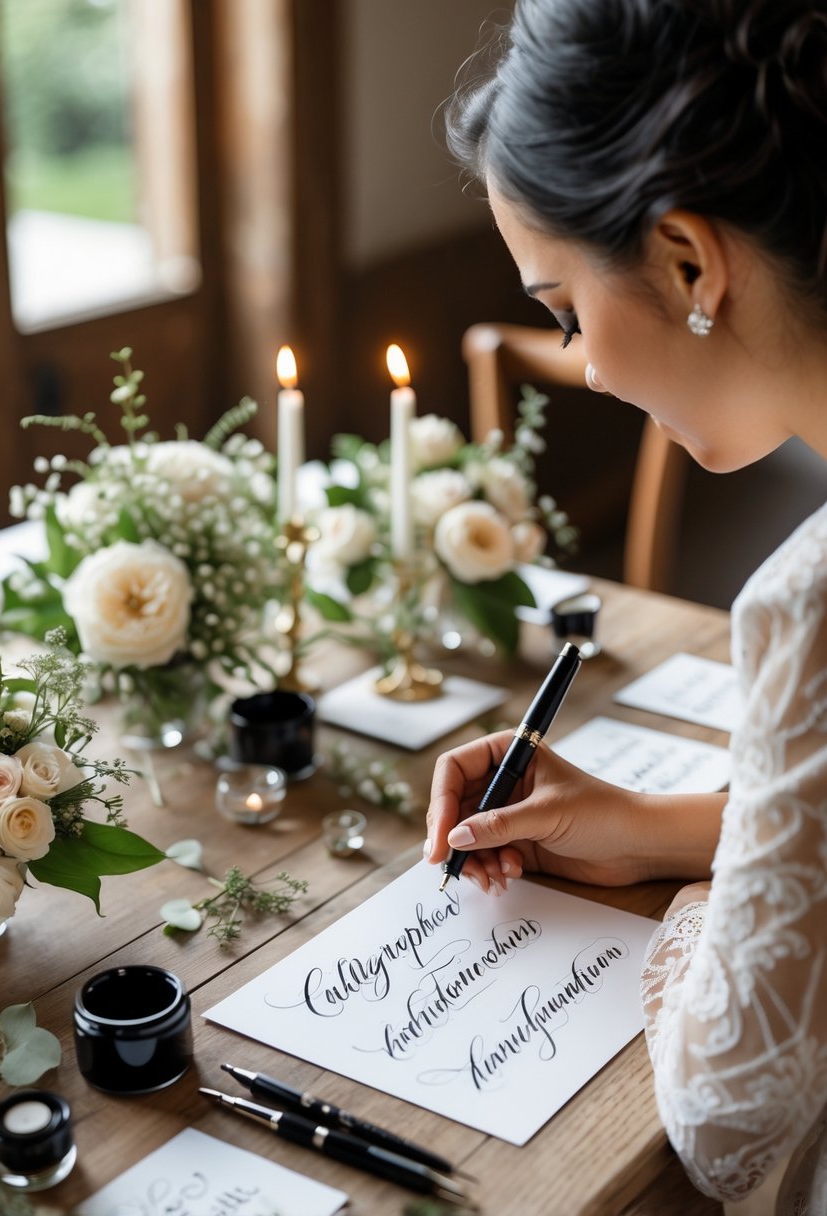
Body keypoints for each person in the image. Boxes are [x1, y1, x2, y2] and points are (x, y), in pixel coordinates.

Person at [425, 2, 827, 1212]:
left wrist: (714, 902)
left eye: (561, 309)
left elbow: (725, 1116)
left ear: (688, 262)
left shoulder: (805, 604)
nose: (586, 366)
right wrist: (656, 823)